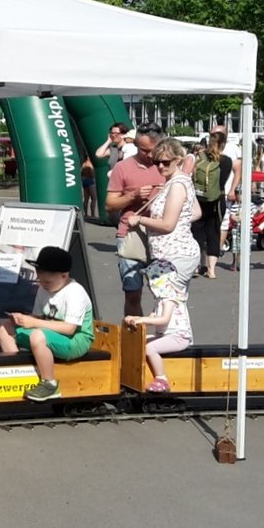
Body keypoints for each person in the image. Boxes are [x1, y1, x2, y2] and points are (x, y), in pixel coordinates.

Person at [0, 246, 94, 403]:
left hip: (76, 340)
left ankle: (50, 384)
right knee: (4, 327)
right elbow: (37, 316)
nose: (43, 284)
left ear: (64, 276)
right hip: (48, 334)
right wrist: (22, 319)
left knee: (38, 335)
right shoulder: (44, 289)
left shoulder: (75, 292)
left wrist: (34, 322)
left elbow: (69, 328)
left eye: (47, 281)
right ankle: (18, 373)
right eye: (40, 279)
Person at [105, 122, 165, 316]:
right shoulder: (123, 168)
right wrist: (133, 196)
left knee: (165, 295)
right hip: (130, 236)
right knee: (132, 294)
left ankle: (161, 342)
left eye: (153, 150)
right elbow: (109, 205)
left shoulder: (168, 167)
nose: (149, 155)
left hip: (163, 235)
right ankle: (135, 342)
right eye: (143, 150)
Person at [127, 138, 200, 291]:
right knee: (173, 305)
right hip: (174, 253)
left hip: (174, 254)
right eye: (156, 162)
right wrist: (180, 219)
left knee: (167, 305)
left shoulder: (177, 185)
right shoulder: (182, 180)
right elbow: (196, 212)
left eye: (166, 162)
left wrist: (140, 219)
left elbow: (167, 225)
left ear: (178, 160)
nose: (160, 166)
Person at [124, 259, 192, 394]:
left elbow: (163, 319)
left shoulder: (170, 299)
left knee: (149, 347)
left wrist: (141, 319)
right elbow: (153, 318)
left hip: (179, 336)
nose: (149, 284)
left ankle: (162, 379)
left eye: (151, 280)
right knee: (140, 342)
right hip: (166, 335)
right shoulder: (160, 300)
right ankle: (134, 372)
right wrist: (135, 318)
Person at [190, 131, 232, 279]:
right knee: (214, 233)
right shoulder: (226, 161)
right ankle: (212, 270)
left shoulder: (199, 158)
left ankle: (195, 266)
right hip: (216, 200)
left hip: (198, 199)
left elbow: (193, 176)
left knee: (196, 233)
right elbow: (223, 181)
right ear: (223, 144)